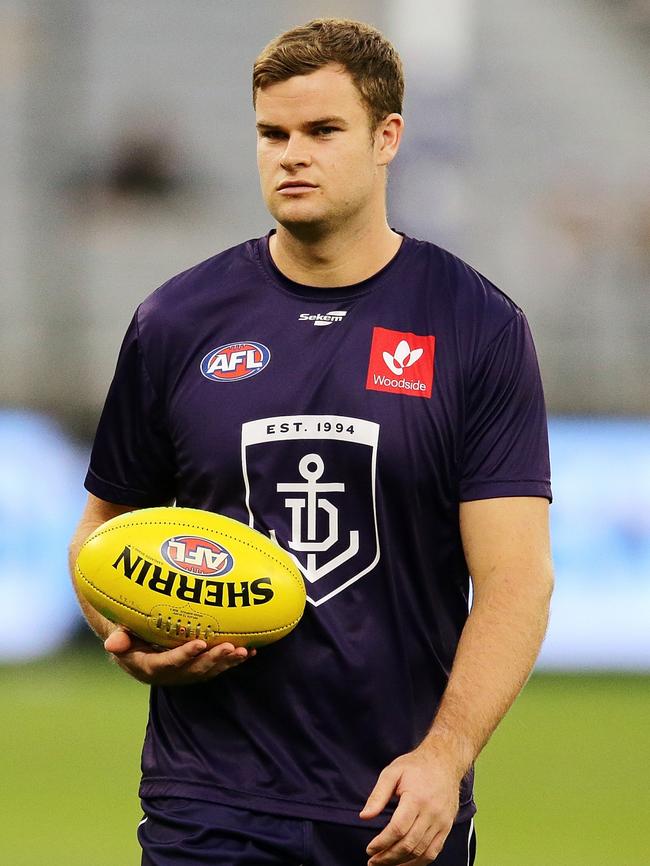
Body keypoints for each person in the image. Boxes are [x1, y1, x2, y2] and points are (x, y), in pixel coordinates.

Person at [69, 18, 554, 866]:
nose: (291, 154)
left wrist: (445, 760)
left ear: (386, 138)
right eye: (272, 133)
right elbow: (100, 536)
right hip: (208, 802)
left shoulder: (475, 325)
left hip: (396, 804)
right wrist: (135, 647)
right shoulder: (177, 322)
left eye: (323, 131)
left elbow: (516, 580)